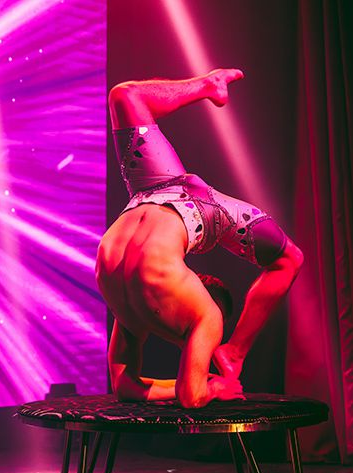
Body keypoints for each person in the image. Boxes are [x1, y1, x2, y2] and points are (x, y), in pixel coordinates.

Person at [96, 69, 304, 408]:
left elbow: (165, 394)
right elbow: (135, 389)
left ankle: (208, 84)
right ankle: (235, 353)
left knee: (125, 96)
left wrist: (199, 386)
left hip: (167, 197)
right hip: (164, 207)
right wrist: (207, 383)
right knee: (289, 259)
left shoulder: (155, 312)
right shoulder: (158, 311)